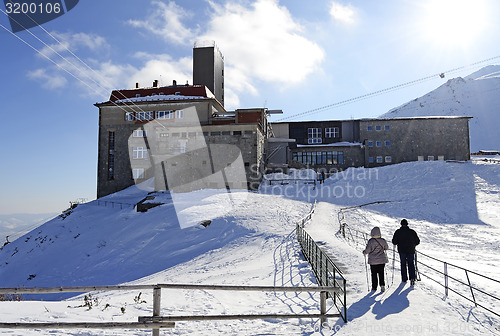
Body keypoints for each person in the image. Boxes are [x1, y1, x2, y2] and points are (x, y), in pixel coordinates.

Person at [392, 219, 420, 286]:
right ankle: (412, 278)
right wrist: (413, 245)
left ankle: (404, 278)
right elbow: (417, 241)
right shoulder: (412, 232)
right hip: (411, 250)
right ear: (407, 224)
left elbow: (394, 242)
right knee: (411, 264)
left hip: (402, 250)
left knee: (403, 264)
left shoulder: (398, 232)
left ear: (401, 224)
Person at [363, 227, 389, 292]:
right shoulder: (383, 240)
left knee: (374, 274)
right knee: (381, 273)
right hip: (382, 260)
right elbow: (386, 247)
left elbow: (368, 250)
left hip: (373, 260)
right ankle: (382, 285)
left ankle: (374, 287)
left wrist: (364, 252)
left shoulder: (371, 241)